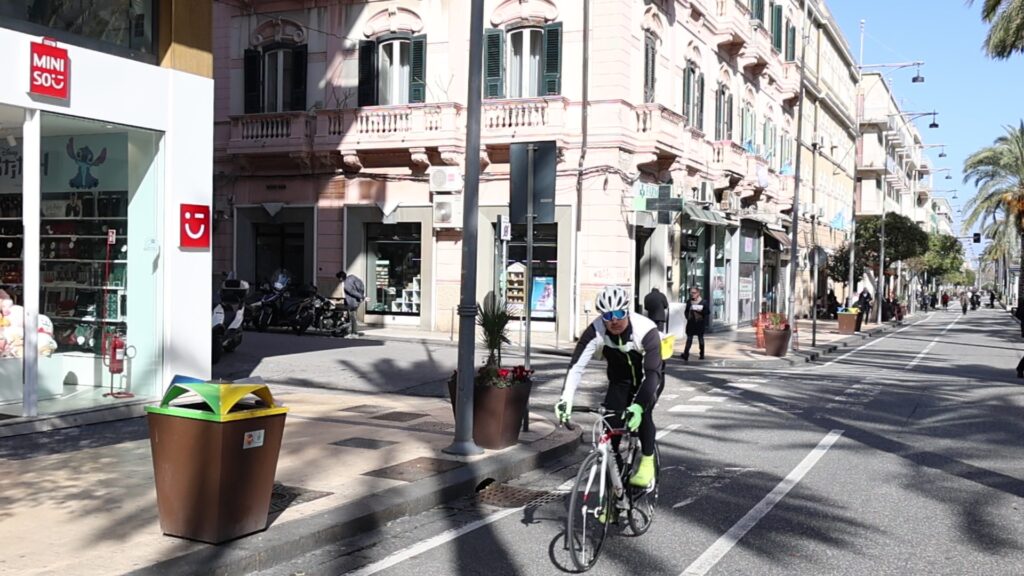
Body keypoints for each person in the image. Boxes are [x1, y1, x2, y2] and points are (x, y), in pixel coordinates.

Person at [555, 285, 663, 488]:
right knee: (610, 426)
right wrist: (566, 399)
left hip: (648, 379)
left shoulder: (646, 329)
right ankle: (615, 490)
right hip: (619, 381)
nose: (613, 320)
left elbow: (652, 375)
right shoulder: (596, 330)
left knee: (644, 413)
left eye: (619, 313)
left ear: (627, 311)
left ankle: (647, 460)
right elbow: (576, 367)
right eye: (607, 315)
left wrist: (639, 406)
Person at [681, 286, 708, 361]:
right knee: (689, 339)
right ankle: (686, 354)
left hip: (700, 324)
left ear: (698, 293)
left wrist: (701, 311)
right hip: (691, 324)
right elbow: (686, 311)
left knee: (701, 339)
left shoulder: (704, 302)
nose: (692, 294)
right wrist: (688, 317)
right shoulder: (689, 301)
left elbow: (707, 312)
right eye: (691, 293)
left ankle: (702, 354)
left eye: (694, 293)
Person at [336, 270, 365, 337]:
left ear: (341, 278)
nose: (339, 280)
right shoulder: (352, 277)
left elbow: (352, 292)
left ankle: (354, 333)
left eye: (338, 279)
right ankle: (351, 332)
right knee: (352, 317)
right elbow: (361, 284)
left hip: (352, 303)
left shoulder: (346, 285)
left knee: (352, 318)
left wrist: (362, 297)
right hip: (357, 301)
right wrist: (361, 294)